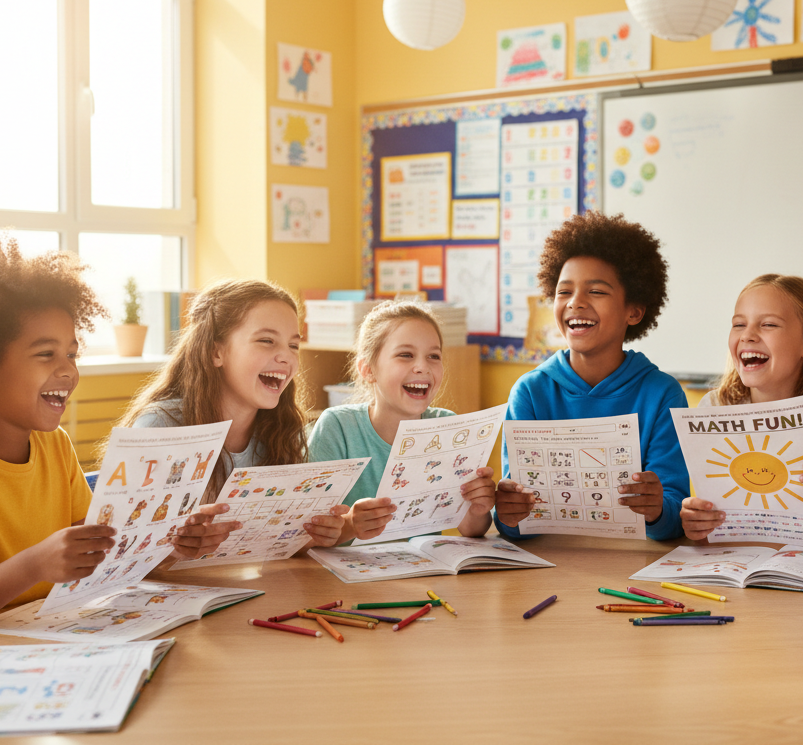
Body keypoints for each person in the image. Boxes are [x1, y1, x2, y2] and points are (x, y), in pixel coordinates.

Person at [0, 242, 222, 655]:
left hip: (32, 640)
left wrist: (168, 543)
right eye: (45, 354)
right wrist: (34, 565)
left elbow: (99, 555)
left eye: (71, 352)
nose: (68, 369)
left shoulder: (54, 445)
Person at [495, 212, 688, 540]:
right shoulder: (529, 392)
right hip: (549, 562)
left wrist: (658, 509)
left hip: (634, 564)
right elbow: (513, 524)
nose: (576, 303)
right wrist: (508, 515)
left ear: (634, 311)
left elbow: (671, 519)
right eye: (564, 291)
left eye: (596, 292)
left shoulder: (663, 394)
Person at [121, 279, 346, 548]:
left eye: (293, 345)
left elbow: (275, 542)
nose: (286, 357)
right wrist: (176, 550)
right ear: (216, 351)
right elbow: (127, 546)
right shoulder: (160, 427)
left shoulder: (282, 430)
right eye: (266, 340)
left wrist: (314, 534)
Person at [680, 274, 803, 542]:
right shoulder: (714, 406)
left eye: (768, 324)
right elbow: (708, 514)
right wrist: (695, 519)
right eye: (739, 324)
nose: (748, 336)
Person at [307, 300, 496, 542]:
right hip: (347, 575)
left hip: (422, 572)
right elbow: (308, 532)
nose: (422, 367)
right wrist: (350, 525)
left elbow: (473, 529)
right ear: (367, 370)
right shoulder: (338, 427)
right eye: (405, 355)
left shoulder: (448, 427)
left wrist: (477, 507)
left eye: (433, 356)